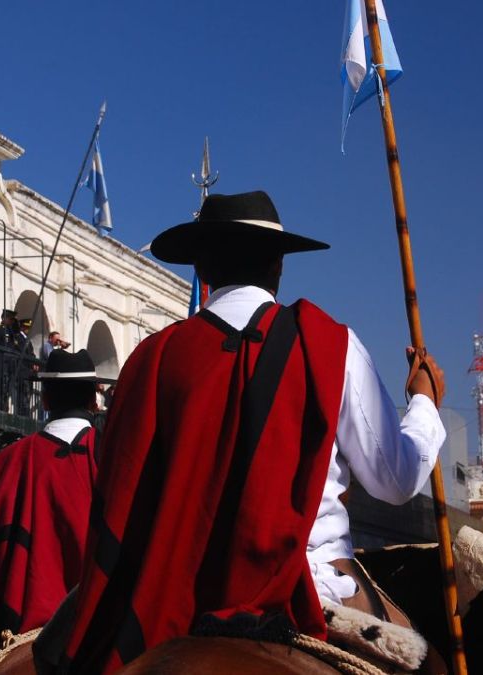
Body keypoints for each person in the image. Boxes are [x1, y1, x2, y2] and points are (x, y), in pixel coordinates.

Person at [59, 191, 446, 673]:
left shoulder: (149, 360)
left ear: (201, 270)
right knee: (431, 665)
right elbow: (396, 479)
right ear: (278, 267)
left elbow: (117, 499)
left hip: (164, 597)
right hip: (308, 585)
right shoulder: (328, 344)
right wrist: (425, 402)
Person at [0, 349, 104, 665]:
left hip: (23, 629)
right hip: (103, 627)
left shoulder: (8, 462)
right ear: (95, 401)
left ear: (45, 400)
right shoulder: (114, 457)